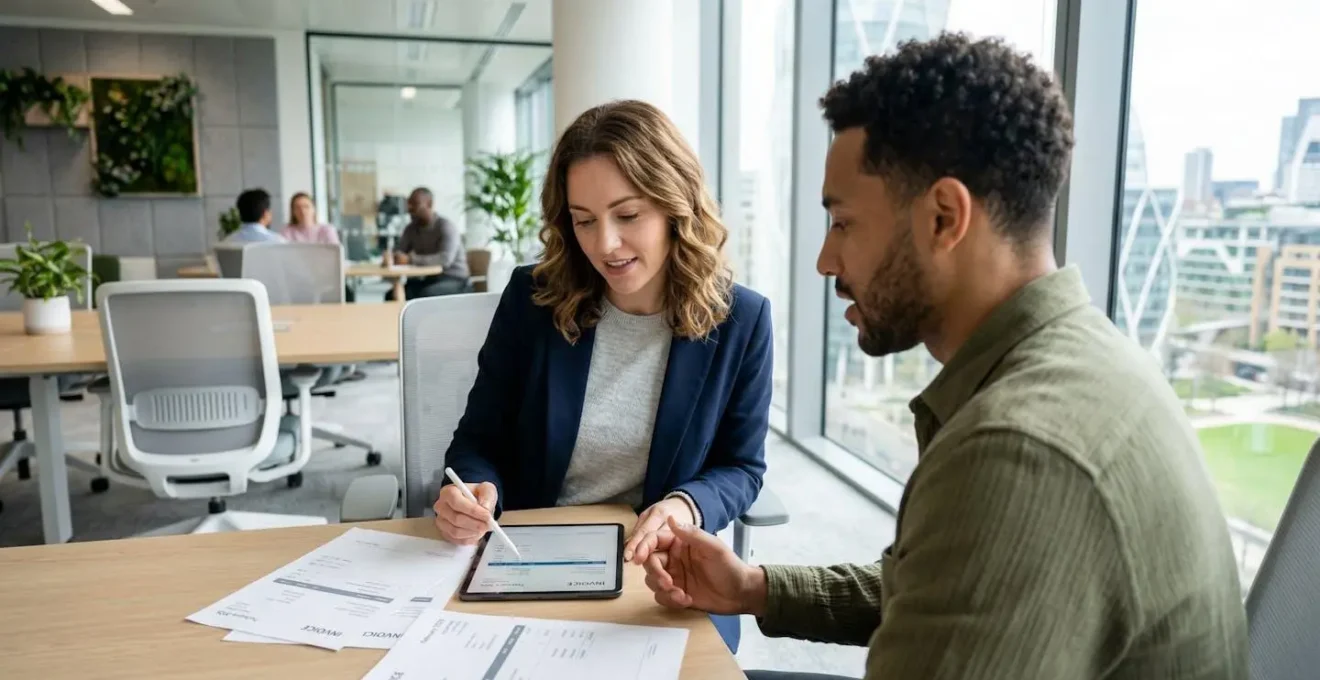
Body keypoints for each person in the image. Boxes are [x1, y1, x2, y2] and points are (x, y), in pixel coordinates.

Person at [636, 33, 1249, 680]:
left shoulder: (1019, 451)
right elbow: (943, 585)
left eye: (843, 223)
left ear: (943, 218)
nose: (825, 261)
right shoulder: (1083, 361)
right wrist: (752, 588)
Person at [435, 100, 772, 652]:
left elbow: (742, 466)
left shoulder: (741, 320)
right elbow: (477, 440)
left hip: (656, 573)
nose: (604, 245)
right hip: (527, 561)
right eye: (584, 221)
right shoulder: (533, 299)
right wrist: (474, 490)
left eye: (628, 215)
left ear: (674, 204)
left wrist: (686, 504)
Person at [383, 187, 470, 300]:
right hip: (428, 279)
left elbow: (445, 260)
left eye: (415, 204)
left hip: (454, 279)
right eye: (409, 204)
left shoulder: (446, 227)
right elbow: (400, 251)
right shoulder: (411, 229)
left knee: (425, 295)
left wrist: (410, 260)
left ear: (430, 204)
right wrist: (392, 257)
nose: (410, 209)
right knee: (390, 295)